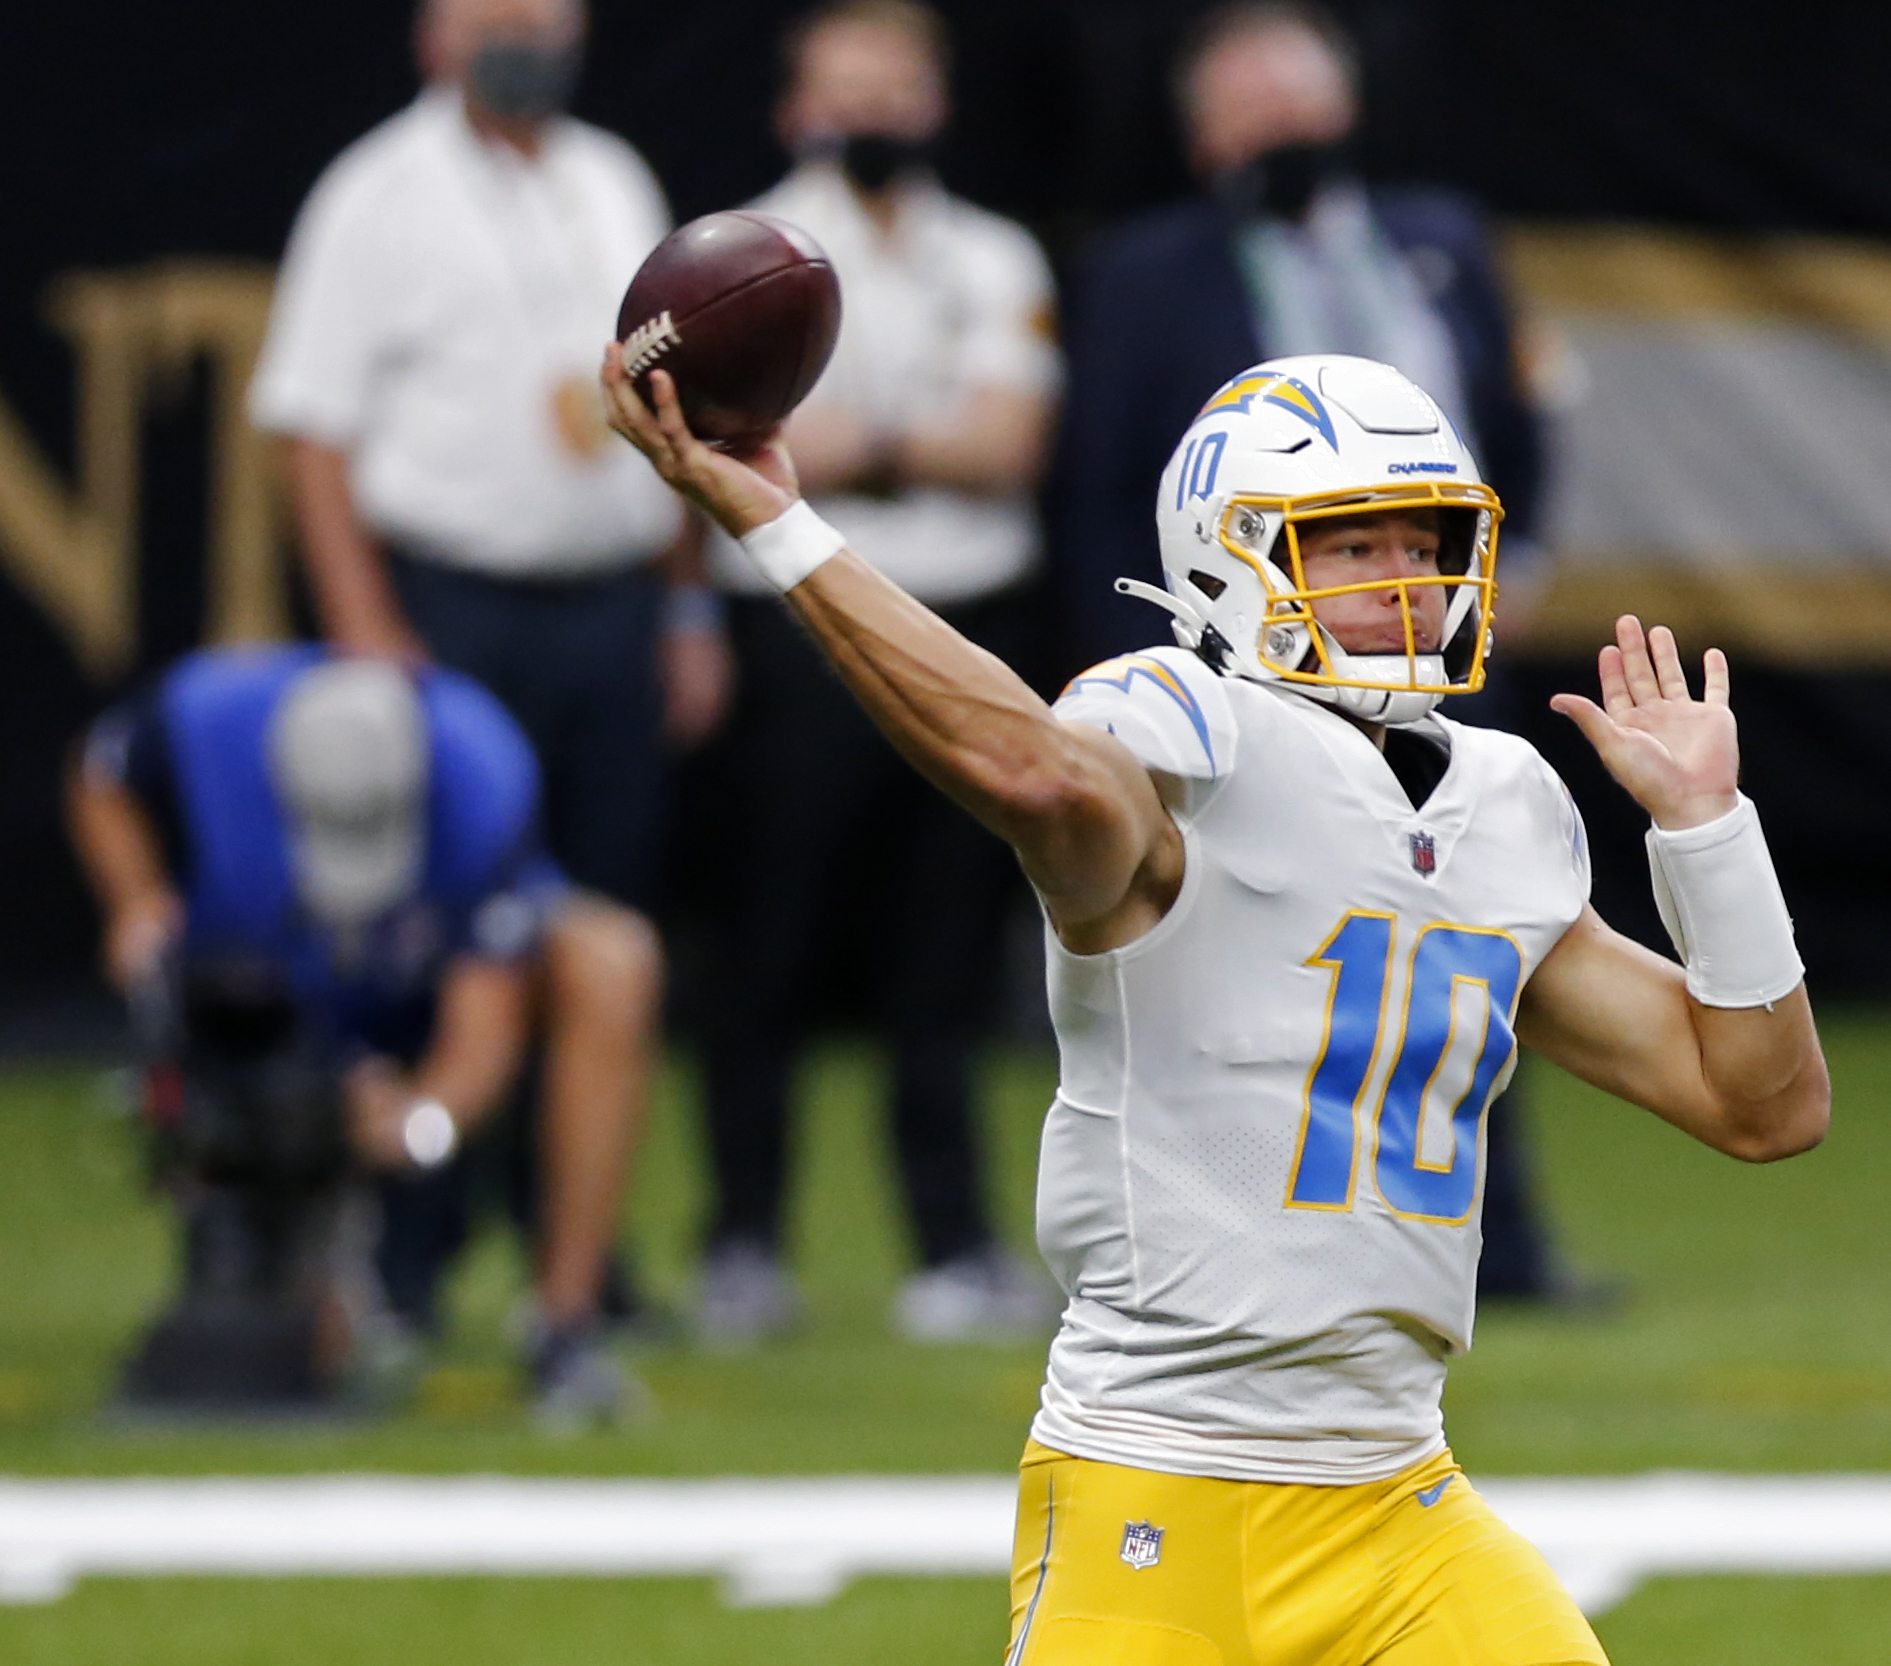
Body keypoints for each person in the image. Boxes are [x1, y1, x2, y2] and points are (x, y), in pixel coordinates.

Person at [602, 335, 1827, 1666]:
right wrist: (769, 507)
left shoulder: (1506, 802)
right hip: (1157, 1515)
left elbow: (1759, 1102)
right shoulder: (1166, 745)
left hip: (1398, 1511)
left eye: (1423, 547)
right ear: (1228, 563)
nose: (1400, 592)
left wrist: (1707, 834)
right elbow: (1023, 775)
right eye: (1345, 550)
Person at [1054, 0, 1601, 1309]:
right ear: (1199, 139)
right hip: (1252, 677)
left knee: (1479, 935)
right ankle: (1252, 1244)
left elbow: (1512, 422)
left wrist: (1504, 574)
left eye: (1295, 104)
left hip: (1436, 650)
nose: (1280, 134)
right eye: (1248, 111)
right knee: (1278, 958)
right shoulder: (1147, 271)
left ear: (1346, 110)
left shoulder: (1439, 240)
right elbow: (1099, 488)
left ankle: (1496, 1240)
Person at [250, 0, 720, 1341]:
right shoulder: (374, 195)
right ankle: (410, 1245)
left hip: (610, 604)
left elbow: (665, 412)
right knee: (442, 935)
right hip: (450, 614)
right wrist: (365, 632)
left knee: (605, 935)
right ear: (431, 36)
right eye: (491, 8)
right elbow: (310, 434)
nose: (522, 29)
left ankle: (581, 1256)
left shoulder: (610, 175)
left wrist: (683, 608)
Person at [690, 0, 1063, 1348]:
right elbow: (736, 447)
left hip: (960, 622)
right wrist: (917, 438)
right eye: (848, 91)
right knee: (764, 946)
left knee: (943, 954)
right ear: (797, 107)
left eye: (896, 89)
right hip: (789, 625)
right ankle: (740, 1244)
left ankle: (953, 1249)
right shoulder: (737, 255)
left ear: (938, 104)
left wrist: (866, 438)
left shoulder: (992, 253)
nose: (873, 116)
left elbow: (1008, 445)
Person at [66, 649, 663, 1422]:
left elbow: (484, 1021)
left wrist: (414, 1126)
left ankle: (564, 1328)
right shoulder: (211, 715)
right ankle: (274, 1263)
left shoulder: (476, 766)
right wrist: (137, 902)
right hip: (259, 993)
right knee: (284, 1333)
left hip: (421, 992)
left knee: (613, 963)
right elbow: (98, 776)